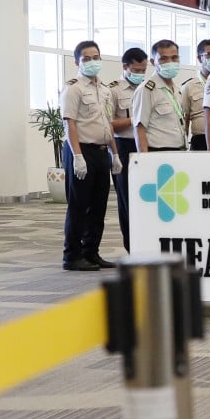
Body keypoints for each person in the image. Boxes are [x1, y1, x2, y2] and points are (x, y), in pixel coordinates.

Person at [60, 40, 122, 271]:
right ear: (77, 61)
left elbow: (107, 124)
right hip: (81, 150)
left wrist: (114, 153)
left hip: (100, 151)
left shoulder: (104, 89)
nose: (92, 62)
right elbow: (70, 123)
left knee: (99, 205)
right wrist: (77, 155)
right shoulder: (73, 88)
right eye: (87, 58)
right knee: (79, 206)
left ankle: (91, 252)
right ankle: (72, 255)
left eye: (95, 57)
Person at [108, 47, 147, 252]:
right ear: (125, 67)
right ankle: (132, 246)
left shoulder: (148, 88)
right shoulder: (113, 90)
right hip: (123, 145)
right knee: (127, 200)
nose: (141, 74)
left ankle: (148, 243)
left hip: (146, 145)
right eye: (137, 70)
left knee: (147, 199)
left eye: (143, 70)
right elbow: (108, 124)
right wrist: (135, 119)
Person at [133, 39, 187, 152]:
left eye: (174, 58)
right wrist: (144, 159)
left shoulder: (176, 89)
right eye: (164, 58)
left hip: (179, 150)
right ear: (153, 62)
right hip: (157, 152)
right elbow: (140, 128)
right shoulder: (146, 90)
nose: (170, 62)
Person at [180, 39, 210, 151]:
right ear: (199, 58)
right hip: (200, 140)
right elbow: (185, 118)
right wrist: (184, 145)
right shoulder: (189, 86)